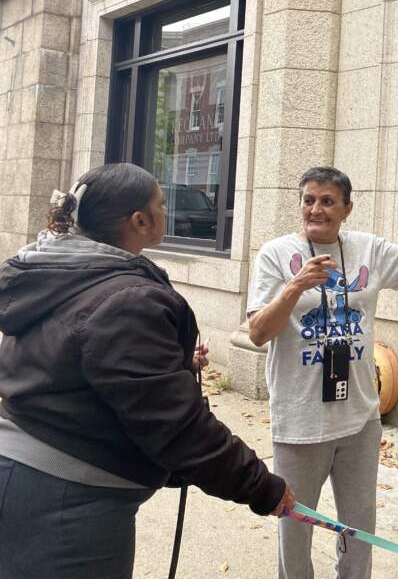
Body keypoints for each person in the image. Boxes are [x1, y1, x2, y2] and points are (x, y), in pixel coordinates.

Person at [0, 163, 295, 579]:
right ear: (140, 220)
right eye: (160, 202)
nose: (166, 209)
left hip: (29, 478)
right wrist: (263, 487)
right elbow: (178, 427)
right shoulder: (125, 298)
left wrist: (168, 365)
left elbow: (71, 360)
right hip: (69, 501)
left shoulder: (60, 271)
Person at [247, 166, 398, 579]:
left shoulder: (366, 249)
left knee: (359, 528)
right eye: (308, 200)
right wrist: (295, 287)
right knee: (295, 529)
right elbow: (258, 332)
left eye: (327, 201)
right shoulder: (276, 254)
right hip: (300, 422)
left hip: (358, 419)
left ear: (346, 208)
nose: (315, 209)